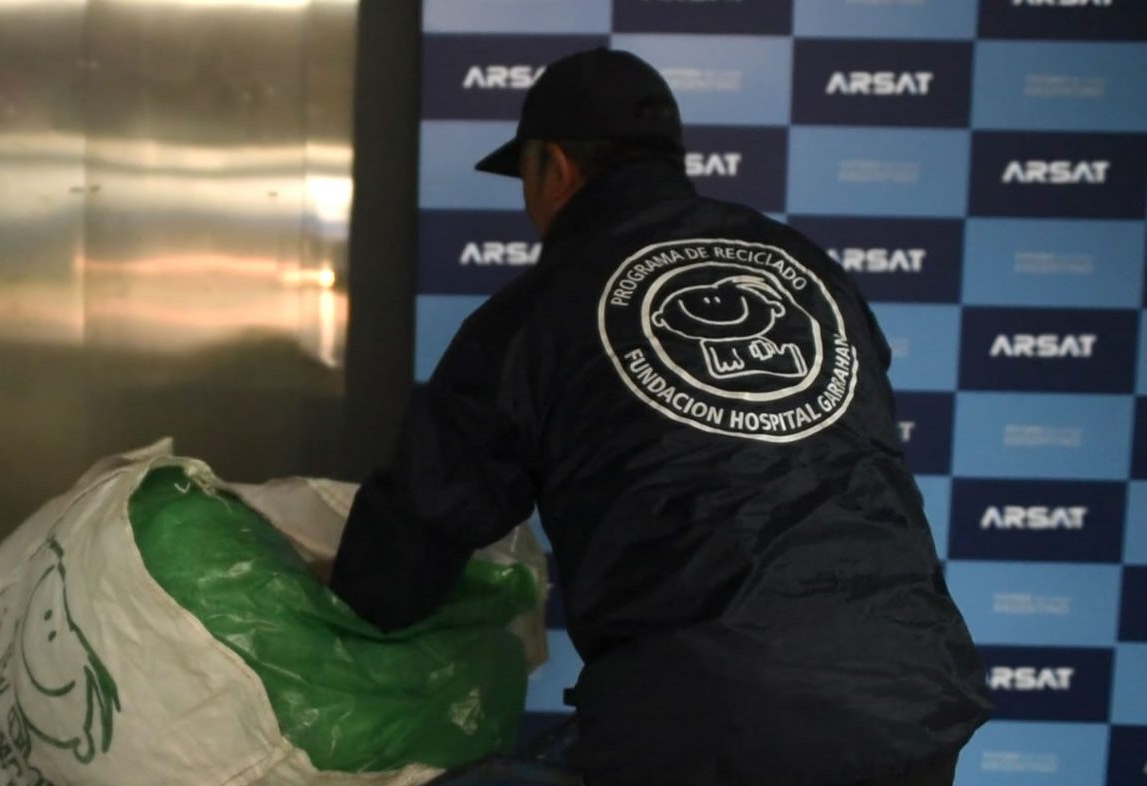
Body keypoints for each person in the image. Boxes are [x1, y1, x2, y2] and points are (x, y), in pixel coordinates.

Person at [329, 48, 991, 786]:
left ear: (554, 168)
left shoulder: (537, 311)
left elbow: (413, 535)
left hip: (711, 719)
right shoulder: (808, 269)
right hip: (910, 699)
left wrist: (346, 610)